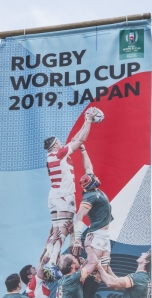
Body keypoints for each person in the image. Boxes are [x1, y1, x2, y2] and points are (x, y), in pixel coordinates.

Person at [43, 107, 100, 278]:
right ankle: (52, 264)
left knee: (56, 231)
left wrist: (85, 122)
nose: (62, 143)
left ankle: (49, 260)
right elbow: (80, 139)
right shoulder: (58, 154)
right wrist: (88, 119)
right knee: (64, 231)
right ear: (55, 145)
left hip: (54, 196)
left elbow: (77, 139)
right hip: (63, 197)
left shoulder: (55, 156)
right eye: (59, 142)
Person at [72, 144, 113, 298]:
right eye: (93, 178)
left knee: (98, 275)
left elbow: (88, 168)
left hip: (104, 238)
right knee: (90, 272)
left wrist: (82, 149)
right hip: (95, 236)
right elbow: (79, 216)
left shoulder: (92, 188)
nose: (95, 177)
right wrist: (77, 239)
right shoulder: (89, 197)